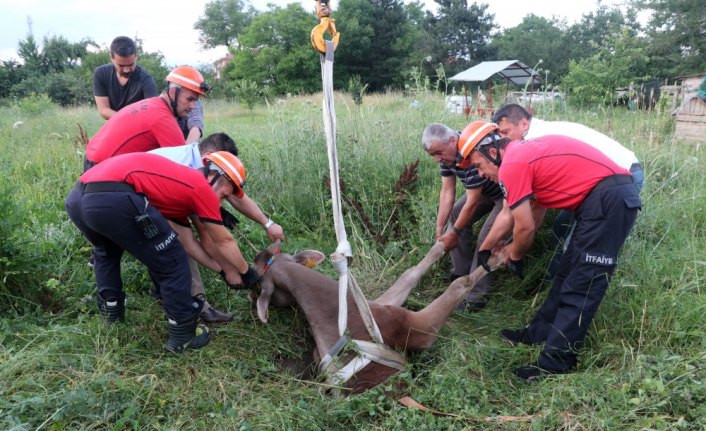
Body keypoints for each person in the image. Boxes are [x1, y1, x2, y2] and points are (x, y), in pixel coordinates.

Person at [459, 121, 641, 381]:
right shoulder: (518, 155)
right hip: (595, 203)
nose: (479, 174)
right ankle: (538, 333)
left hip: (610, 200)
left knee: (582, 285)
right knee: (566, 273)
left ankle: (557, 362)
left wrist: (516, 254)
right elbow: (510, 214)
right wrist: (487, 249)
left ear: (491, 151)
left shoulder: (513, 164)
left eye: (478, 165)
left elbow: (525, 228)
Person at [65, 151, 260, 353]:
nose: (221, 202)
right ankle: (183, 334)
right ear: (215, 176)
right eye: (224, 195)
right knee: (172, 262)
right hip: (113, 197)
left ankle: (110, 319)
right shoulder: (199, 185)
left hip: (78, 198)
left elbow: (188, 243)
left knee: (107, 252)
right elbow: (224, 240)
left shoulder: (176, 187)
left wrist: (223, 271)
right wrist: (248, 273)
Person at [493, 103, 644, 279]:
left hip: (622, 176)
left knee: (578, 244)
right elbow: (538, 204)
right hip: (602, 178)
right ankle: (557, 279)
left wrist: (515, 248)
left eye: (506, 132)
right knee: (562, 225)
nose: (504, 139)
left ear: (524, 124)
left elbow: (534, 209)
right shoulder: (539, 133)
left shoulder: (533, 141)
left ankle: (562, 283)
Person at [149, 133, 286, 323]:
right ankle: (197, 306)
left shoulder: (207, 171)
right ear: (212, 157)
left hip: (130, 191)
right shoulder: (188, 168)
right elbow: (211, 236)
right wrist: (237, 271)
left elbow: (236, 196)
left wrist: (267, 223)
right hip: (132, 197)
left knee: (179, 241)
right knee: (176, 245)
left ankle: (165, 291)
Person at [421, 122, 505, 311]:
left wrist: (454, 232)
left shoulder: (469, 152)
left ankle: (476, 295)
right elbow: (447, 192)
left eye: (439, 152)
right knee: (456, 214)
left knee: (487, 236)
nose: (437, 159)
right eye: (433, 155)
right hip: (485, 191)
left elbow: (473, 201)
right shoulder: (447, 159)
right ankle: (460, 274)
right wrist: (439, 228)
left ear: (452, 140)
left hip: (504, 195)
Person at [85, 65, 209, 172]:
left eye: (196, 101)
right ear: (172, 93)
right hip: (102, 168)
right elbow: (186, 165)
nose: (193, 106)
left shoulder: (152, 104)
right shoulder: (163, 119)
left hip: (93, 159)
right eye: (190, 99)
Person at [93, 36, 158, 120]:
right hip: (115, 124)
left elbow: (153, 112)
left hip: (138, 125)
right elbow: (104, 110)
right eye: (121, 65)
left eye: (131, 64)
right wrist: (126, 119)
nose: (126, 70)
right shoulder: (101, 74)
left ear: (136, 57)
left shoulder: (146, 80)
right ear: (111, 58)